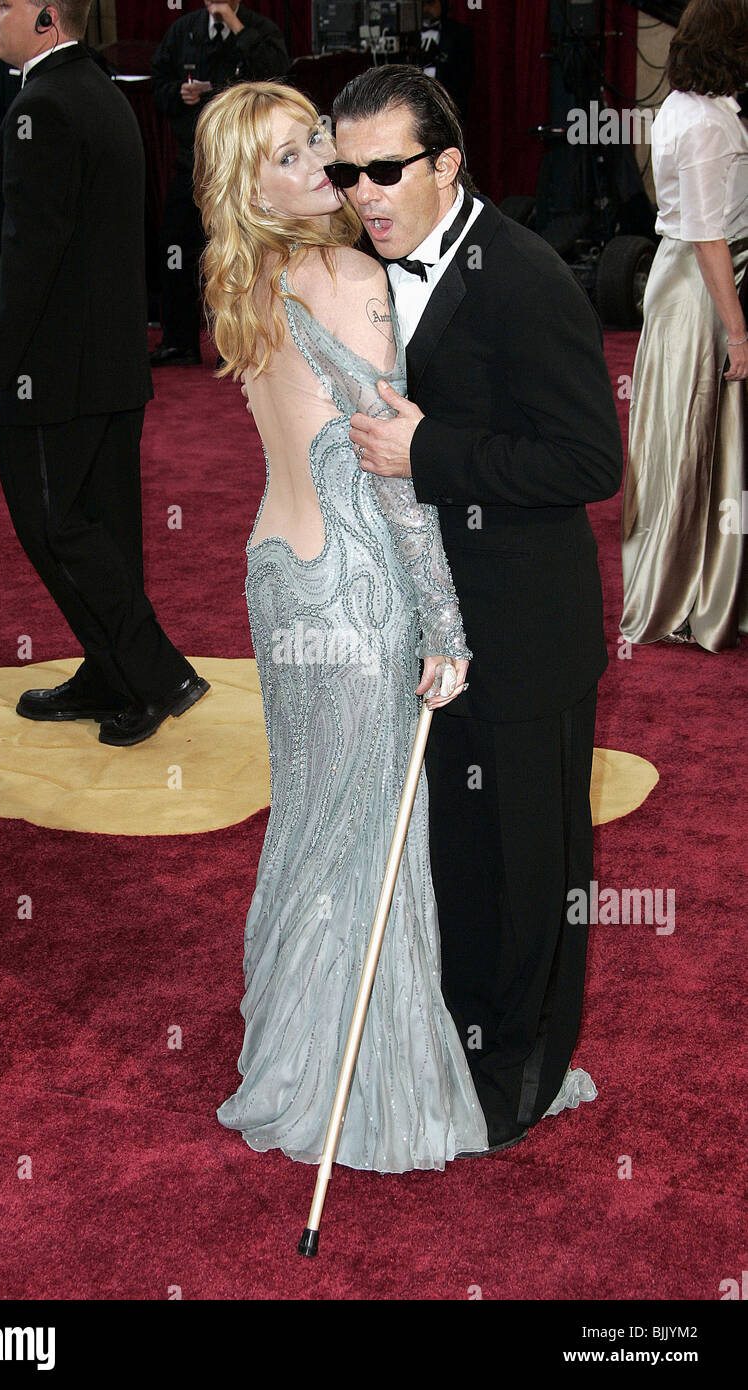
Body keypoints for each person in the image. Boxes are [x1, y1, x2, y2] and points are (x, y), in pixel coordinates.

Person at [193, 80, 489, 1171]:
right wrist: (444, 623)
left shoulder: (247, 276)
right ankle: (361, 1087)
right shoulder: (347, 273)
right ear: (248, 183)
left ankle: (293, 1056)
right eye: (285, 155)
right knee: (366, 831)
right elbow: (390, 472)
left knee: (314, 817)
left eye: (315, 137)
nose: (319, 163)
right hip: (353, 587)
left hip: (276, 576)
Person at [333, 66, 624, 1151]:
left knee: (526, 865)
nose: (363, 192)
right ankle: (460, 1037)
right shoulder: (361, 273)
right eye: (347, 170)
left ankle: (522, 1072)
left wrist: (428, 453)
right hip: (428, 624)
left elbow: (588, 459)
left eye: (386, 170)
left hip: (522, 629)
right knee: (456, 851)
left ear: (447, 164)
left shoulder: (527, 278)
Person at [0, 0, 208, 746]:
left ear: (46, 17)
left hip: (51, 372)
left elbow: (29, 252)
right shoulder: (102, 91)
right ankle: (112, 677)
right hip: (108, 365)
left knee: (55, 527)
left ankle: (155, 674)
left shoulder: (44, 104)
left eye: (3, 3)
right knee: (105, 527)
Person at [621, 0, 748, 652]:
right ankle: (684, 596)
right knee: (693, 444)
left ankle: (700, 588)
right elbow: (709, 237)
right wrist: (739, 330)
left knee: (686, 442)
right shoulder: (708, 123)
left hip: (685, 285)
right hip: (702, 294)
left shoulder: (686, 108)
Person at [150, 2, 290, 366]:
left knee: (238, 254)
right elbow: (158, 82)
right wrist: (178, 93)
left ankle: (238, 344)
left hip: (244, 168)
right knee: (177, 251)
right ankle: (179, 340)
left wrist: (232, 21)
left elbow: (276, 76)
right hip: (192, 164)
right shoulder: (183, 30)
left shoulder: (259, 29)